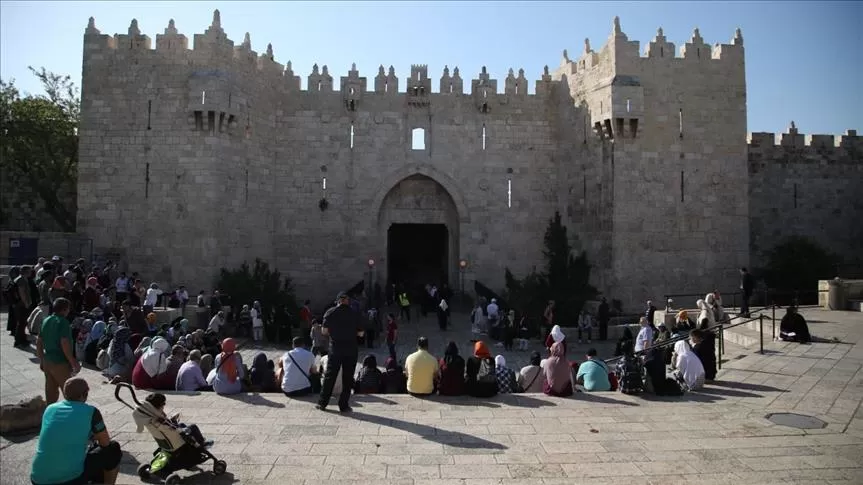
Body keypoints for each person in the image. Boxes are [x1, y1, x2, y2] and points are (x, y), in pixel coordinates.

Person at [30, 377, 121, 485]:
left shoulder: (50, 409)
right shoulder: (91, 412)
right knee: (112, 448)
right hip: (69, 480)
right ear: (84, 394)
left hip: (38, 478)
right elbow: (105, 443)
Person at [317, 292, 364, 412]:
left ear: (338, 301)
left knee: (330, 376)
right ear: (348, 301)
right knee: (348, 378)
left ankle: (322, 403)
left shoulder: (330, 312)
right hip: (351, 349)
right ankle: (344, 405)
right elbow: (361, 333)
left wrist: (335, 333)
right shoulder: (354, 313)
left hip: (335, 348)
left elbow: (324, 331)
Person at [36, 298, 80, 404]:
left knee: (50, 392)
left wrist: (41, 360)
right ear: (64, 309)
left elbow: (39, 341)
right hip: (59, 362)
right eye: (68, 309)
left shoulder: (46, 320)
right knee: (69, 392)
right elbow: (64, 342)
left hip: (47, 360)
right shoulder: (63, 322)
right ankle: (73, 412)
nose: (69, 311)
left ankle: (50, 411)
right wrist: (73, 361)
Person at [136, 393, 212, 448]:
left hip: (166, 440)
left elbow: (168, 427)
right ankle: (202, 443)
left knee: (181, 424)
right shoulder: (160, 419)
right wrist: (174, 422)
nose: (164, 405)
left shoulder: (151, 418)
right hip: (176, 439)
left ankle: (196, 439)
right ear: (158, 406)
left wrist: (172, 421)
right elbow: (174, 429)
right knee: (193, 427)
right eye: (163, 403)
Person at [12, 265, 34, 347]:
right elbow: (22, 293)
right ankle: (18, 341)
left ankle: (22, 338)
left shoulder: (21, 278)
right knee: (21, 322)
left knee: (23, 322)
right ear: (26, 272)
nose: (31, 272)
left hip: (20, 303)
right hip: (21, 304)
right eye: (30, 271)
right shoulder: (21, 280)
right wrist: (26, 303)